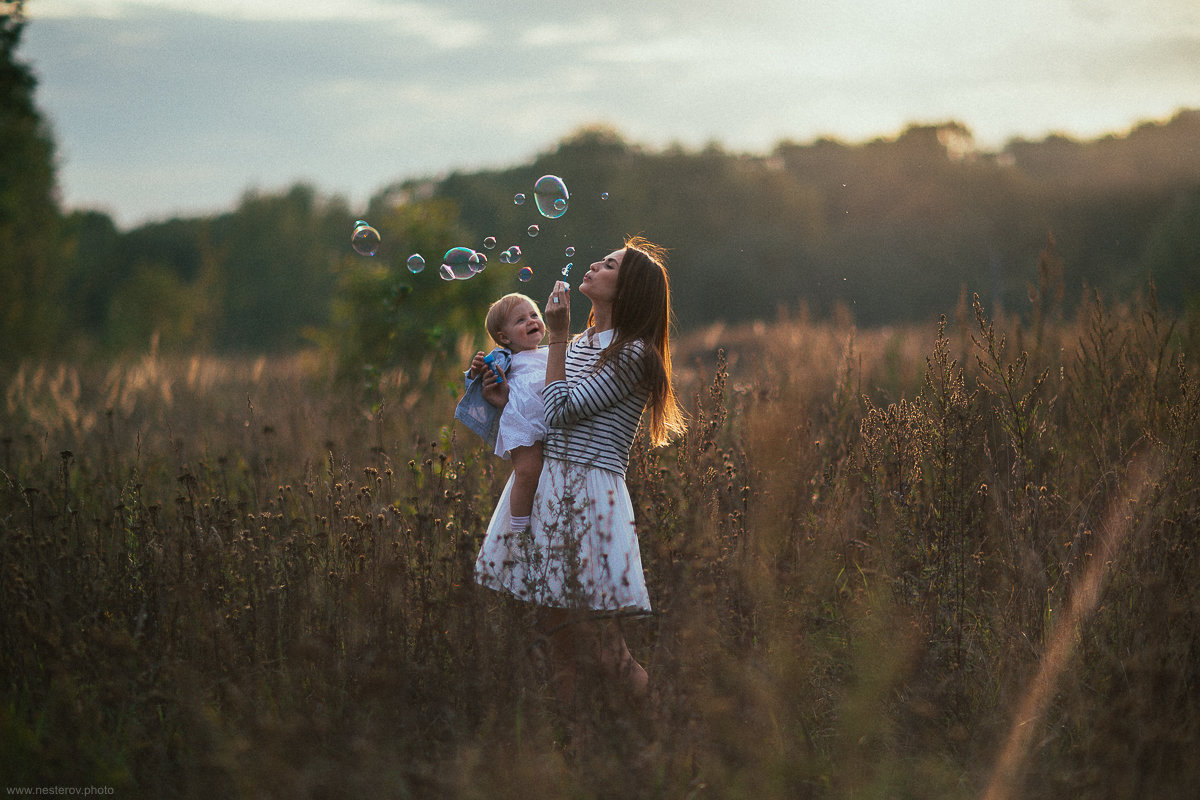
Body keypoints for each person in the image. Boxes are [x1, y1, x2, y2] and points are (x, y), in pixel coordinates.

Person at [475, 237, 686, 701]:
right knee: (560, 642)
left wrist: (554, 336)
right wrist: (502, 399)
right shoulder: (581, 342)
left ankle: (667, 737)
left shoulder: (633, 355)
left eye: (609, 264)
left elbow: (560, 410)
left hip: (589, 497)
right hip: (552, 487)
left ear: (626, 289)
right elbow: (539, 416)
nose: (595, 264)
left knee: (607, 649)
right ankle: (569, 749)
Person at [455, 293, 549, 539]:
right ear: (504, 338)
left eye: (533, 315)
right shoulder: (503, 357)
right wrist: (476, 370)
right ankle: (519, 529)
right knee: (527, 470)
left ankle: (542, 518)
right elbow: (476, 384)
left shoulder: (552, 353)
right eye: (520, 320)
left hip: (549, 420)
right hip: (520, 419)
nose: (530, 321)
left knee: (548, 472)